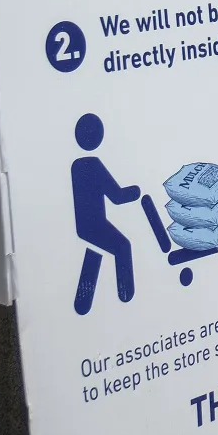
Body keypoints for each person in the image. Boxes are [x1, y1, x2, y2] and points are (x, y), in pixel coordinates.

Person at [71, 113, 140, 315]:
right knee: (122, 246)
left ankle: (84, 301)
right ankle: (126, 295)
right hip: (95, 224)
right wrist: (135, 192)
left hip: (84, 225)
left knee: (96, 253)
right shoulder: (92, 165)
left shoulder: (77, 165)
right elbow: (116, 196)